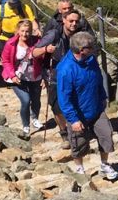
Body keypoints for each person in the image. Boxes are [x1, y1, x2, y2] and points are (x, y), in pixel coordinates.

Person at [56, 31, 118, 180]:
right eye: (90, 47)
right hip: (78, 114)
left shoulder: (91, 60)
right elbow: (64, 98)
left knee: (106, 135)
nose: (93, 49)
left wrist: (103, 97)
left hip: (96, 108)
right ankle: (79, 168)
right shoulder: (66, 70)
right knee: (79, 144)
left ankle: (104, 165)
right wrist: (73, 119)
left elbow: (97, 78)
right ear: (80, 50)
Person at [34, 8, 82, 147]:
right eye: (71, 21)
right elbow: (34, 52)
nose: (74, 24)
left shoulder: (79, 35)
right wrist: (46, 49)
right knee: (56, 107)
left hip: (73, 76)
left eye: (76, 21)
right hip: (53, 76)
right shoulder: (53, 34)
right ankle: (64, 132)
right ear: (63, 20)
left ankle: (76, 131)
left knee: (73, 103)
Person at [1, 19, 45, 137]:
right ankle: (26, 125)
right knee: (25, 100)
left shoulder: (37, 42)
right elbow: (5, 61)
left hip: (34, 76)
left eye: (28, 31)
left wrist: (45, 77)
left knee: (36, 100)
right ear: (17, 31)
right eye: (23, 31)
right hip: (18, 77)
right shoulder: (10, 44)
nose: (25, 34)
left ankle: (35, 118)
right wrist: (12, 75)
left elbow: (44, 59)